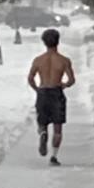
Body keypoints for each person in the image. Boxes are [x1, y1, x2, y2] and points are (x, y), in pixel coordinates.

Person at [27, 28, 76, 165]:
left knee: (42, 121)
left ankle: (43, 133)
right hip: (56, 93)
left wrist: (37, 89)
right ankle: (53, 157)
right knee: (58, 127)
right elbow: (72, 80)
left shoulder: (38, 60)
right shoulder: (64, 61)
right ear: (57, 42)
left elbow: (30, 78)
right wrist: (64, 85)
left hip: (43, 92)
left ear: (44, 42)